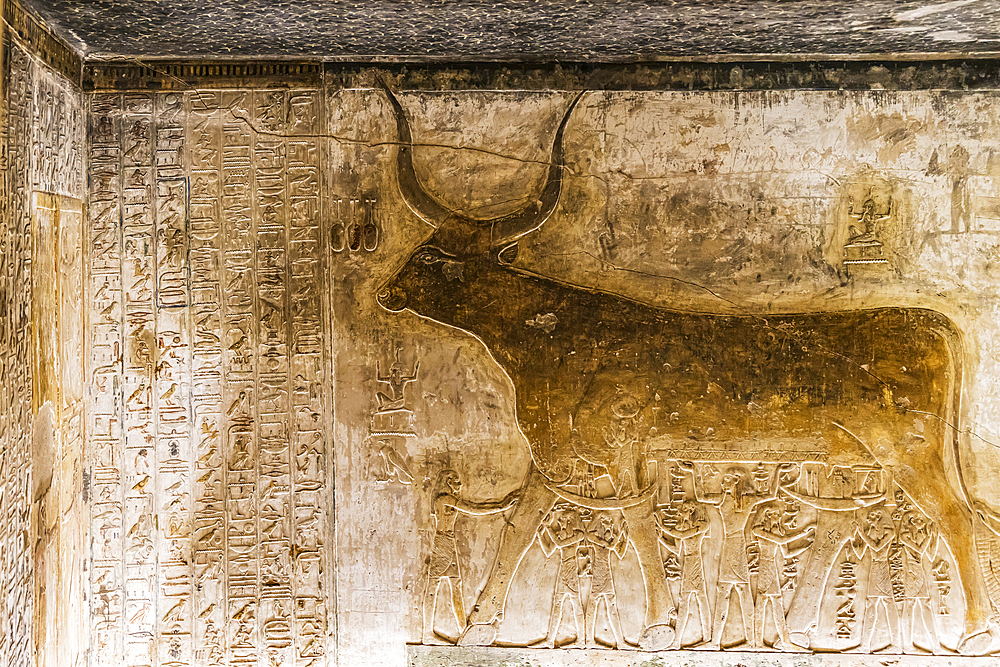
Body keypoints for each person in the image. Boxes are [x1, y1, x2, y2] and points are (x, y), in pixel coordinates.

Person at [679, 460, 797, 648]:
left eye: (726, 479)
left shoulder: (748, 500)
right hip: (728, 547)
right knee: (724, 594)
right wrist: (693, 471)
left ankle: (751, 641)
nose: (722, 482)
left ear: (737, 481)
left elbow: (771, 494)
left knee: (742, 595)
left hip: (738, 548)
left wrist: (778, 470)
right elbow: (700, 496)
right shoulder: (722, 499)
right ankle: (715, 642)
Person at [423, 470, 516, 644]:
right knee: (433, 587)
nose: (460, 486)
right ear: (448, 483)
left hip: (448, 543)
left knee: (455, 587)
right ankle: (427, 633)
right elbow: (473, 509)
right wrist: (501, 506)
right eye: (457, 482)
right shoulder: (444, 499)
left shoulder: (447, 500)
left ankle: (461, 630)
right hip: (442, 543)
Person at [750, 499, 815, 649]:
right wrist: (803, 532)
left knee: (774, 605)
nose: (778, 517)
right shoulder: (759, 530)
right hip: (765, 568)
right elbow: (782, 540)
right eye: (774, 514)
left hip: (771, 568)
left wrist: (805, 546)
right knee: (762, 605)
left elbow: (787, 553)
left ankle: (783, 641)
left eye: (778, 515)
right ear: (766, 515)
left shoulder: (778, 531)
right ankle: (759, 642)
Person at [657, 499, 711, 648]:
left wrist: (663, 528)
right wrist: (661, 539)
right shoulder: (680, 526)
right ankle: (677, 640)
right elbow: (676, 549)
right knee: (684, 602)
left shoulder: (702, 525)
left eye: (684, 509)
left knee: (701, 599)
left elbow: (682, 536)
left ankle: (707, 637)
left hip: (696, 563)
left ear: (692, 510)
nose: (680, 512)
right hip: (687, 564)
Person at [536, 503, 587, 647]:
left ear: (570, 521)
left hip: (571, 572)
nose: (560, 523)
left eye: (562, 521)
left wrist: (548, 528)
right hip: (563, 571)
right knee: (557, 605)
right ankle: (550, 640)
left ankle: (582, 640)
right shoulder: (561, 535)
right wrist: (540, 534)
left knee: (576, 605)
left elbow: (559, 543)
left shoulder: (578, 535)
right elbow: (548, 550)